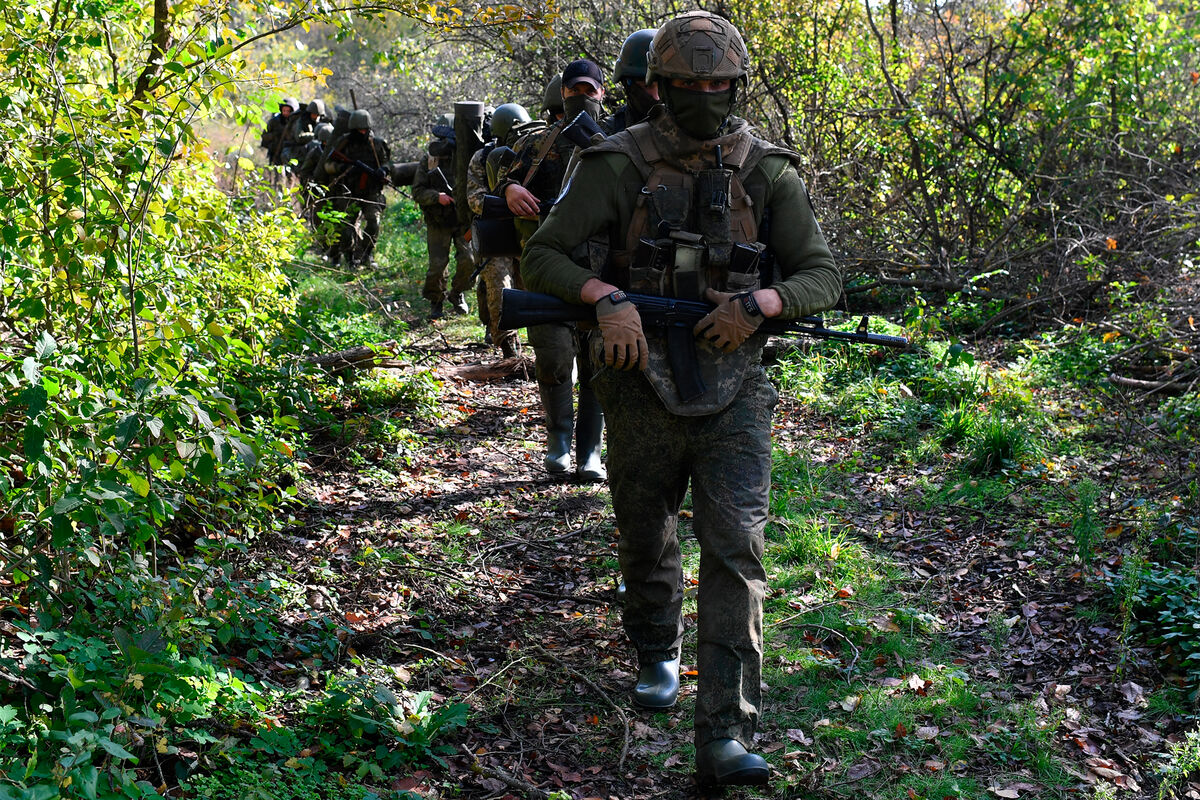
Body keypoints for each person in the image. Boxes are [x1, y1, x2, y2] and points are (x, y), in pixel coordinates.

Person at [521, 12, 842, 786]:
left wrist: (760, 306)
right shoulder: (614, 163)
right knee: (646, 527)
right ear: (657, 88)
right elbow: (541, 255)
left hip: (737, 387)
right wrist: (605, 297)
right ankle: (656, 647)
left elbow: (822, 275)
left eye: (720, 84)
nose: (706, 96)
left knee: (736, 548)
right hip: (635, 381)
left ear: (738, 85)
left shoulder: (765, 169)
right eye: (690, 84)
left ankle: (725, 731)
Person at [494, 62, 608, 482]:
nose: (582, 96)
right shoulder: (538, 143)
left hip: (602, 271)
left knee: (598, 362)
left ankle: (590, 451)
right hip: (544, 270)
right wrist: (510, 189)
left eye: (589, 89)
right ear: (561, 93)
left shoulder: (615, 140)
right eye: (574, 89)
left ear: (601, 92)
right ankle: (559, 441)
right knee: (555, 358)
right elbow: (501, 179)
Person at [466, 102, 533, 358]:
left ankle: (542, 345)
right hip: (496, 235)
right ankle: (509, 349)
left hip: (526, 232)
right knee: (499, 289)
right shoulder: (482, 158)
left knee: (530, 287)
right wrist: (506, 204)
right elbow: (474, 198)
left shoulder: (531, 151)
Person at [412, 120, 473, 319]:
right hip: (438, 220)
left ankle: (457, 293)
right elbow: (417, 191)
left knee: (469, 261)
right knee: (437, 266)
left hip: (462, 219)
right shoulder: (429, 160)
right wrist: (437, 197)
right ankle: (436, 300)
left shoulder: (467, 158)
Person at [317, 109, 391, 270]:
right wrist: (345, 167)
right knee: (346, 228)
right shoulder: (344, 143)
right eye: (359, 130)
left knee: (374, 223)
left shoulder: (377, 143)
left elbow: (387, 162)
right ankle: (350, 259)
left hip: (372, 190)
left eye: (365, 129)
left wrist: (383, 170)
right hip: (348, 190)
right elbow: (328, 165)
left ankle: (366, 254)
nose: (363, 132)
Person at [607, 29, 660, 133]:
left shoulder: (689, 130)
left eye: (663, 86)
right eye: (647, 85)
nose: (657, 96)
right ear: (627, 84)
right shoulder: (607, 131)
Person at [260, 97, 299, 167]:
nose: (286, 113)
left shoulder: (296, 123)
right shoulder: (274, 121)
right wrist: (275, 135)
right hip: (275, 152)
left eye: (288, 111)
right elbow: (264, 136)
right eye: (284, 110)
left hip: (289, 153)